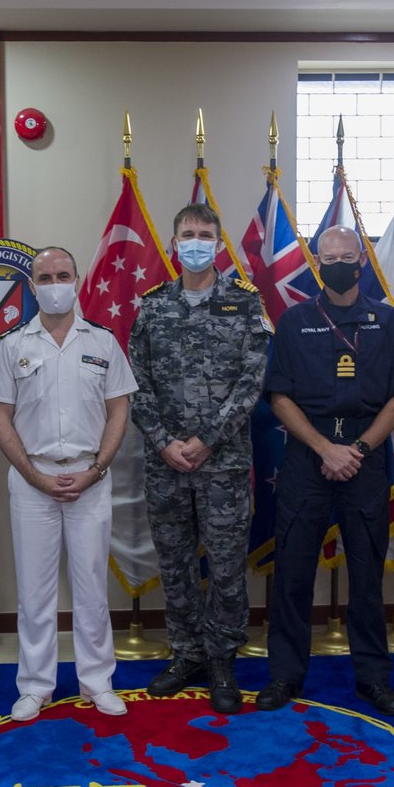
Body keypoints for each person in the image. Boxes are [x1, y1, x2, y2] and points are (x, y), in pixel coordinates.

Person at [259, 225, 394, 717]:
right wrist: (326, 448)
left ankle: (373, 679)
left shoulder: (387, 320)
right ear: (317, 262)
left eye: (348, 257)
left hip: (365, 457)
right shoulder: (294, 321)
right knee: (293, 573)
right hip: (308, 456)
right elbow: (279, 397)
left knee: (367, 574)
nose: (340, 264)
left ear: (363, 260)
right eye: (330, 258)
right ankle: (285, 675)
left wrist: (358, 450)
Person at [0, 246, 137, 721]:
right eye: (45, 278)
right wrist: (35, 476)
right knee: (34, 591)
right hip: (33, 480)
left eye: (62, 275)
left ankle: (97, 681)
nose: (54, 285)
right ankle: (34, 685)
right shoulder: (12, 346)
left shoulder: (103, 342)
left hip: (91, 476)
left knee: (91, 586)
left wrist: (97, 469)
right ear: (32, 286)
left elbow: (119, 410)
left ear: (77, 279)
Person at [128, 203, 271, 715]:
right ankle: (186, 653)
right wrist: (165, 441)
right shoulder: (152, 307)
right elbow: (135, 383)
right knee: (176, 564)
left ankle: (222, 659)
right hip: (165, 463)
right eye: (187, 233)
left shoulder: (244, 304)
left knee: (228, 566)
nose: (196, 242)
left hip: (223, 464)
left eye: (205, 234)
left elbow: (252, 381)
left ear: (218, 243)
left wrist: (207, 438)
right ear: (173, 244)